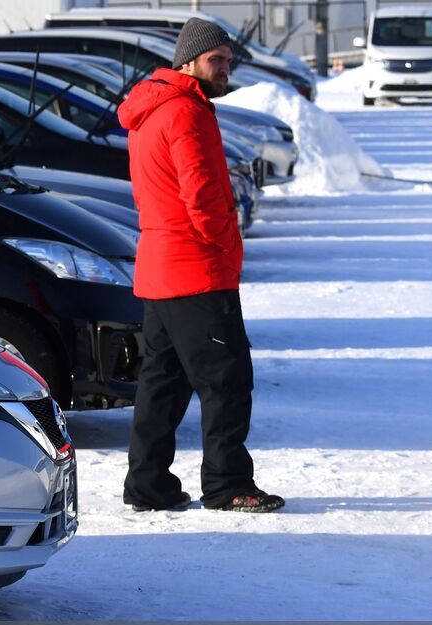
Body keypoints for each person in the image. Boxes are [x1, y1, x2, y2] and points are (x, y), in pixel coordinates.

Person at [117, 18, 285, 514]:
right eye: (218, 60)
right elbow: (203, 193)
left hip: (160, 268)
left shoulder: (151, 108)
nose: (226, 69)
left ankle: (148, 485)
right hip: (196, 268)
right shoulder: (186, 111)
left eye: (229, 60)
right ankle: (228, 484)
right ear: (189, 60)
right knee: (226, 381)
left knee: (162, 384)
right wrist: (225, 242)